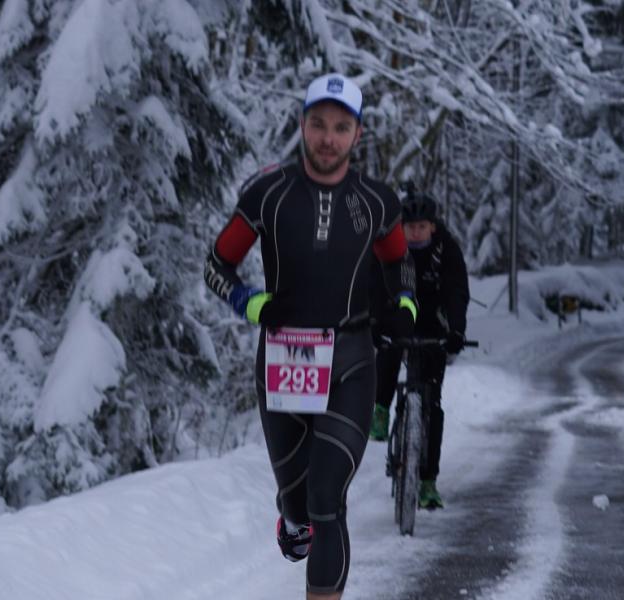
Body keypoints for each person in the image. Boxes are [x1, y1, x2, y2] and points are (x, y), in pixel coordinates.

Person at [203, 73, 416, 600]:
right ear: (302, 124)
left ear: (357, 136)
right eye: (318, 124)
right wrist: (251, 302)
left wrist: (404, 309)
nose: (328, 138)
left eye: (341, 127)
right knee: (300, 505)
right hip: (282, 360)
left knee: (327, 498)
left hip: (351, 360)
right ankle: (289, 515)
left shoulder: (375, 201)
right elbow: (216, 266)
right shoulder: (268, 194)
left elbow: (400, 267)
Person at [369, 189, 470, 510]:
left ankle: (428, 482)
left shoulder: (446, 250)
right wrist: (373, 323)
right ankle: (381, 411)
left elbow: (456, 291)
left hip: (432, 324)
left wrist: (456, 330)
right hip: (396, 313)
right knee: (387, 349)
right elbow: (371, 284)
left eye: (422, 226)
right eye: (409, 226)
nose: (415, 231)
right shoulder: (388, 246)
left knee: (433, 402)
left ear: (433, 227)